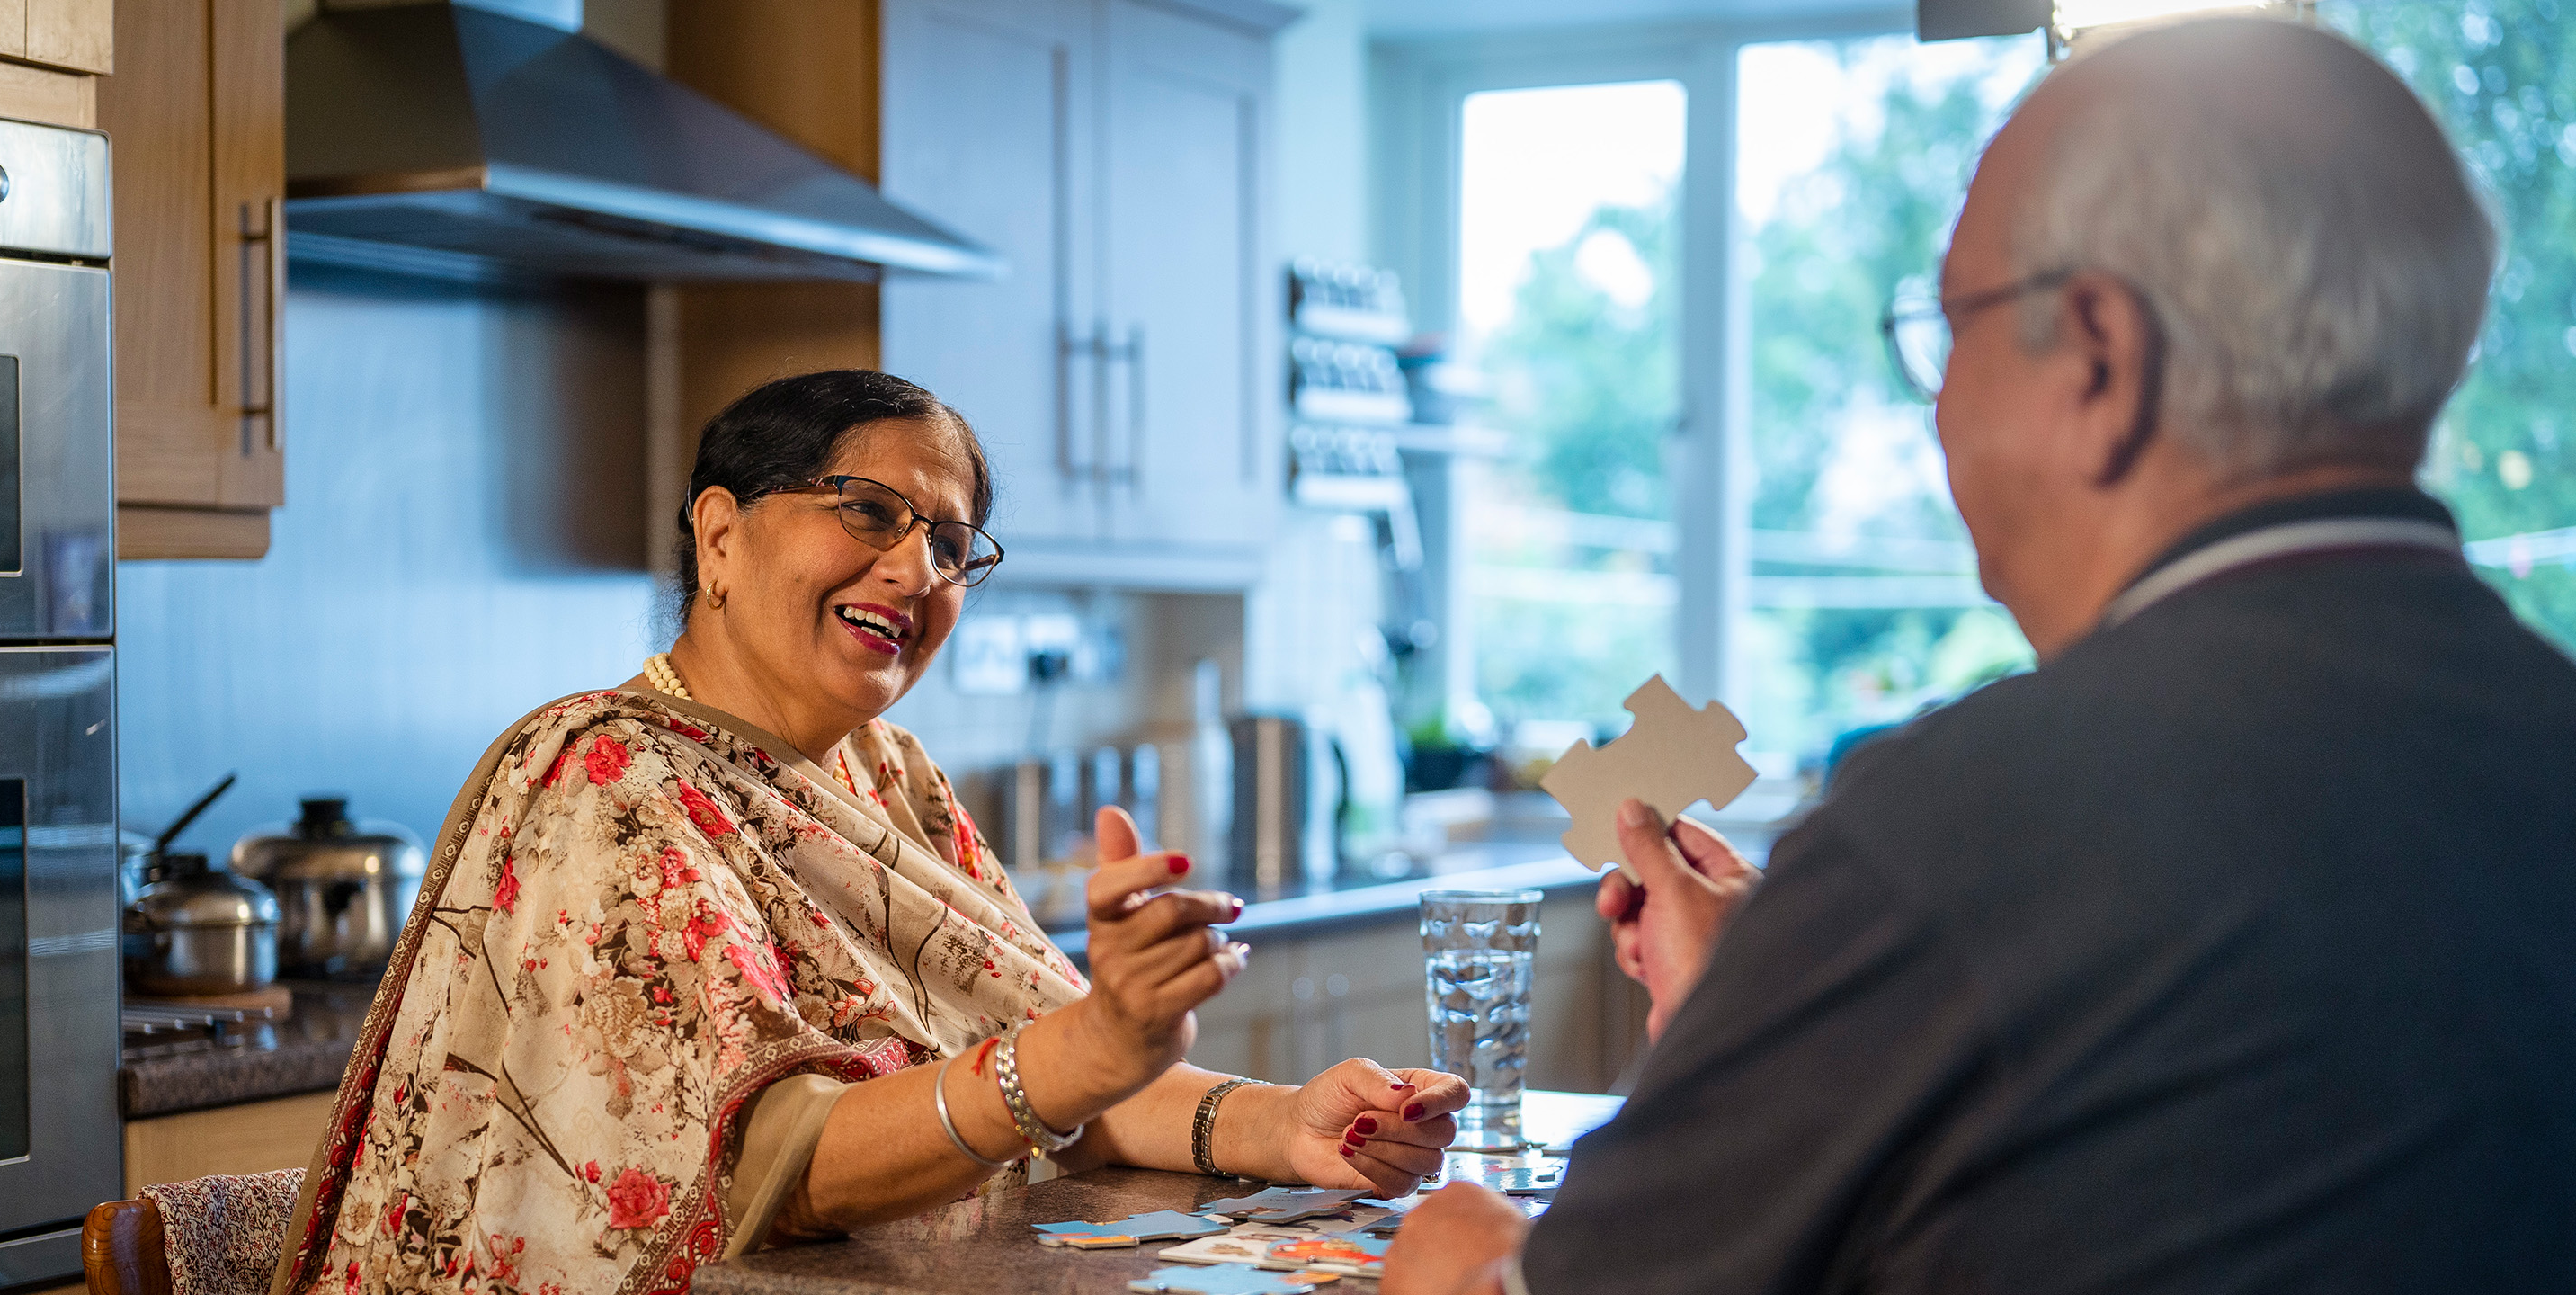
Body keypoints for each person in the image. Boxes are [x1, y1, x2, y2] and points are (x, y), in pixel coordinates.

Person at [1386, 15, 2576, 1294]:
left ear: (2102, 359)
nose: (1937, 403)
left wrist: (1463, 1256)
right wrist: (1781, 1007)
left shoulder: (1963, 825)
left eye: (1952, 325)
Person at [270, 371, 1469, 1295]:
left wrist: (1285, 1124)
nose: (916, 567)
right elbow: (771, 1175)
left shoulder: (889, 775)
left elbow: (1054, 1061)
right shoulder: (608, 778)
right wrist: (1083, 1052)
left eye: (950, 545)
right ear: (721, 538)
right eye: (870, 512)